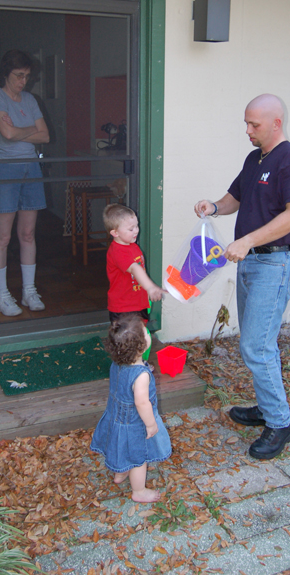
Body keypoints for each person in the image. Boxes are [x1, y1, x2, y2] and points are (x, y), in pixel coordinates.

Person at [194, 93, 290, 460]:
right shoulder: (254, 158)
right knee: (257, 342)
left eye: (254, 124)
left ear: (276, 122)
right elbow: (237, 196)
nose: (247, 130)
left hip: (275, 264)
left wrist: (246, 240)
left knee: (257, 347)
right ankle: (266, 407)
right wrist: (214, 206)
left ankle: (280, 423)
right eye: (246, 123)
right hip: (253, 264)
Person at [0, 50, 50, 317]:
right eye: (18, 76)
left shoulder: (30, 99)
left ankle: (29, 290)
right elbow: (6, 133)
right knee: (2, 237)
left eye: (26, 76)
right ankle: (1, 293)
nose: (23, 81)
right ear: (6, 73)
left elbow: (46, 136)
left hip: (31, 169)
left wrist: (19, 131)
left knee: (27, 234)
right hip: (5, 171)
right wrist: (29, 130)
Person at [90, 312, 171, 502]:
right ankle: (139, 491)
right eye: (146, 333)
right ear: (142, 345)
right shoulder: (141, 375)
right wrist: (151, 424)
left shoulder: (117, 364)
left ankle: (120, 472)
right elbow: (141, 403)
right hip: (134, 423)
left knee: (119, 445)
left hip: (116, 416)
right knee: (138, 458)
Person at [103, 203, 165, 326]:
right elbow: (135, 268)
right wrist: (150, 287)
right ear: (115, 233)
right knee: (127, 341)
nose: (136, 230)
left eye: (137, 226)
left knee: (139, 339)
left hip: (138, 303)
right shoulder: (118, 251)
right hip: (124, 308)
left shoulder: (133, 246)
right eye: (131, 229)